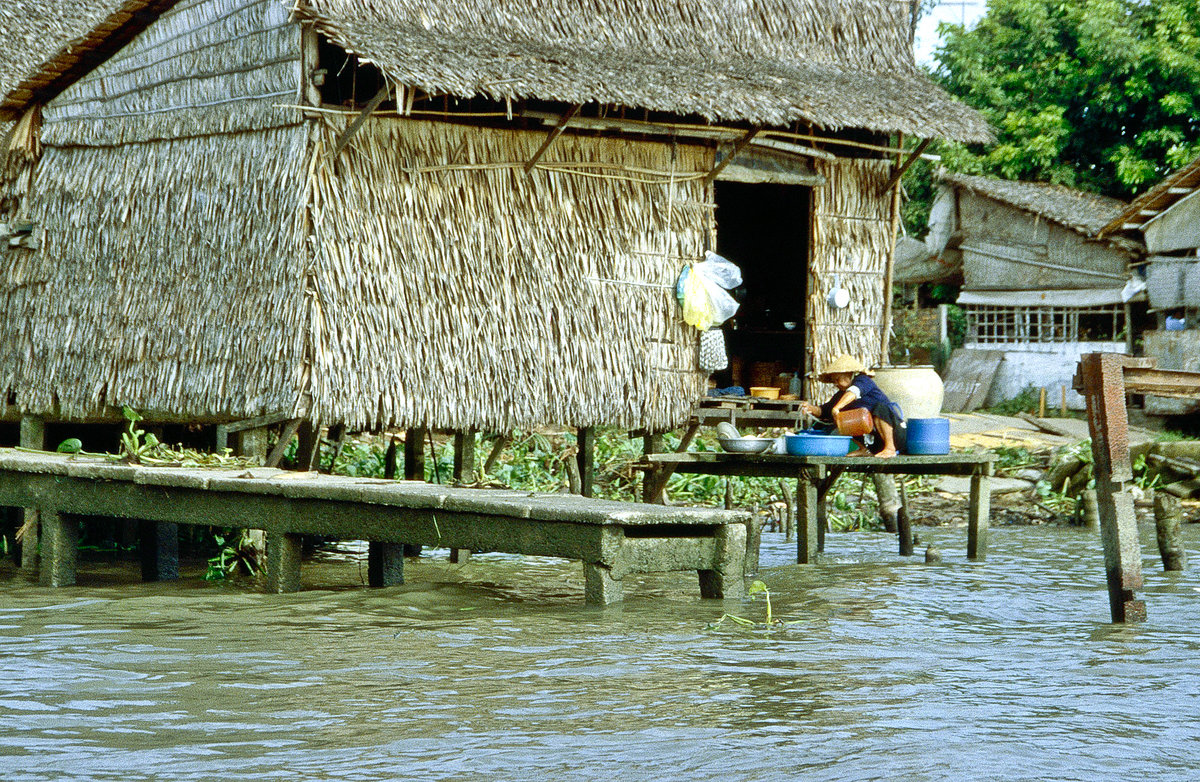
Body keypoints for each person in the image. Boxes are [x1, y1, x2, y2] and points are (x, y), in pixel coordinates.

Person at [800, 355, 906, 458]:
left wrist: (837, 408)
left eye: (837, 379)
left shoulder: (863, 380)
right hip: (875, 443)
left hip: (895, 436)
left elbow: (854, 392)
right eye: (834, 381)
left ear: (848, 374)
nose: (835, 384)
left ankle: (890, 448)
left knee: (881, 409)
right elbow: (823, 411)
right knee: (844, 419)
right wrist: (810, 408)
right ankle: (864, 449)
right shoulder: (841, 395)